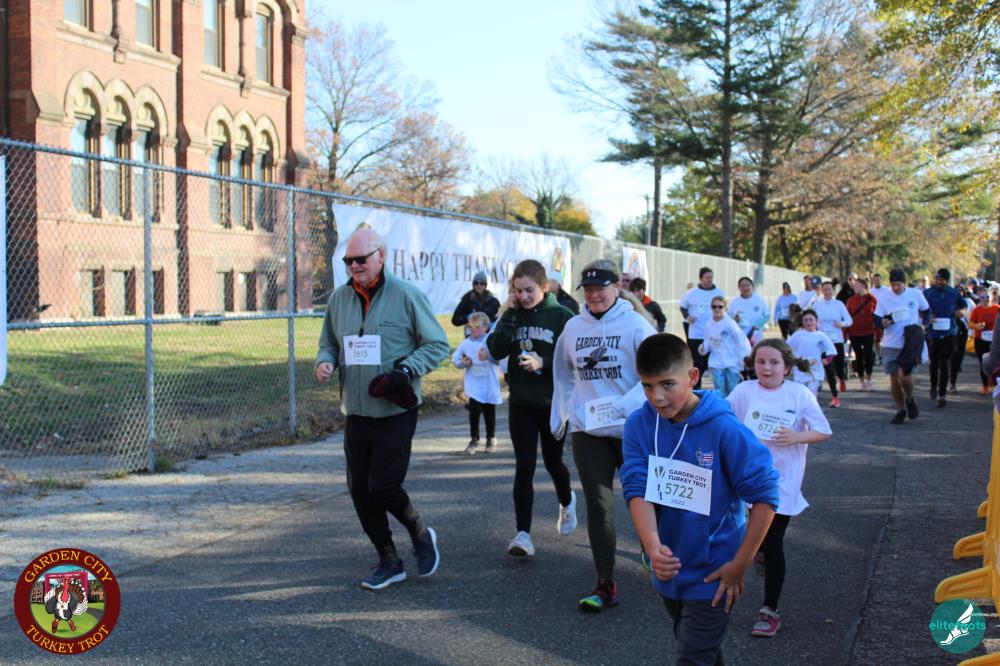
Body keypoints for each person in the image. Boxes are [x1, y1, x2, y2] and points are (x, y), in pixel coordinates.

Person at [620, 333, 779, 665]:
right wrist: (652, 546)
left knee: (693, 656)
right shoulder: (638, 424)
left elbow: (765, 496)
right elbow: (637, 488)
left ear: (692, 377)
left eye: (667, 384)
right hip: (668, 566)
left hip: (715, 571)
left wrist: (740, 564)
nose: (657, 397)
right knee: (698, 648)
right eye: (647, 386)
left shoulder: (724, 428)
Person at [315, 227, 449, 590]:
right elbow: (328, 343)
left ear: (381, 256)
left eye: (361, 259)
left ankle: (420, 533)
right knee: (360, 490)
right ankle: (389, 560)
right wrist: (324, 362)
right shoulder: (339, 299)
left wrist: (406, 370)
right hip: (356, 410)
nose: (354, 266)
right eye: (348, 261)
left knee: (384, 485)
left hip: (394, 409)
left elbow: (437, 344)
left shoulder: (405, 295)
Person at [550, 260, 656, 611]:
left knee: (645, 498)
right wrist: (563, 413)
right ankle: (605, 582)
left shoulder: (636, 325)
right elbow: (563, 373)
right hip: (589, 430)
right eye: (588, 290)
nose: (594, 295)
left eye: (601, 288)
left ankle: (651, 546)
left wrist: (625, 406)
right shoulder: (573, 327)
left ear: (616, 288)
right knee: (599, 504)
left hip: (633, 428)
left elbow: (656, 373)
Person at [726, 339, 832, 638]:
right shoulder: (743, 391)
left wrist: (797, 437)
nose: (767, 368)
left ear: (786, 367)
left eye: (774, 362)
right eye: (761, 362)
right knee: (757, 538)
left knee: (773, 541)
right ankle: (758, 552)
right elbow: (723, 419)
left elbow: (823, 431)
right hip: (748, 477)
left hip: (783, 481)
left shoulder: (799, 394)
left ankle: (769, 610)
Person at [484, 259, 577, 557]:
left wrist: (543, 362)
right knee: (524, 466)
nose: (523, 296)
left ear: (545, 287)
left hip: (552, 404)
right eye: (517, 290)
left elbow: (573, 360)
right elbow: (495, 350)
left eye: (529, 290)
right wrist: (509, 314)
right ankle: (522, 534)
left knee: (553, 463)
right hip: (521, 403)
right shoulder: (512, 314)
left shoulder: (562, 316)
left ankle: (567, 500)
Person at [873, 268, 930, 424]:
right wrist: (882, 322)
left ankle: (910, 398)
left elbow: (926, 310)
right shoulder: (884, 297)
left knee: (904, 376)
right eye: (893, 285)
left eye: (898, 284)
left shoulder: (915, 294)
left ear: (904, 283)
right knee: (894, 379)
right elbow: (876, 318)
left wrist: (924, 325)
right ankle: (900, 410)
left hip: (909, 342)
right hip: (891, 343)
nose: (896, 288)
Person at [452, 312, 502, 454]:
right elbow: (455, 359)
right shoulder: (466, 343)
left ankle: (491, 438)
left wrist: (488, 356)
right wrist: (463, 363)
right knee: (474, 412)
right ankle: (474, 439)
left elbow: (499, 359)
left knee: (489, 412)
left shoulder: (490, 340)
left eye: (477, 326)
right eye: (471, 326)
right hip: (474, 385)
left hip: (489, 384)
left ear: (486, 327)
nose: (473, 329)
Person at [679, 267, 725, 389]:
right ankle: (696, 388)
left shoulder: (719, 293)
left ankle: (719, 389)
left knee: (712, 362)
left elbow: (725, 309)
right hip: (697, 333)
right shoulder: (691, 293)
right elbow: (683, 307)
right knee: (697, 362)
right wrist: (687, 316)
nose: (710, 280)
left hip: (714, 333)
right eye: (707, 277)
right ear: (700, 278)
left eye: (711, 277)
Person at [923, 268, 963, 407]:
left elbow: (963, 307)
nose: (939, 282)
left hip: (949, 333)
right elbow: (920, 310)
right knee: (934, 363)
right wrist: (928, 317)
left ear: (947, 280)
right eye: (937, 279)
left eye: (942, 280)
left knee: (945, 362)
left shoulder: (954, 293)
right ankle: (933, 386)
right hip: (933, 334)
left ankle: (942, 395)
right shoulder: (928, 293)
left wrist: (960, 313)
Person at [699, 296, 752, 398]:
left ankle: (733, 407)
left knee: (732, 390)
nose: (717, 309)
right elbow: (708, 341)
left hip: (732, 363)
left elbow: (742, 342)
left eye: (720, 307)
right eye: (714, 307)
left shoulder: (730, 324)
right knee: (720, 391)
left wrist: (743, 360)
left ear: (725, 308)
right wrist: (703, 348)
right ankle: (723, 407)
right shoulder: (708, 325)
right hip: (716, 363)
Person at [811, 281, 853, 407]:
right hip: (823, 341)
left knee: (839, 367)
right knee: (828, 369)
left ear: (833, 291)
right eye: (825, 289)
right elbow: (810, 320)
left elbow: (849, 320)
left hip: (836, 340)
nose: (827, 292)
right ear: (822, 291)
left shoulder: (838, 304)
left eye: (829, 289)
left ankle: (842, 379)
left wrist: (841, 324)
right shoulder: (817, 306)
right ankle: (835, 397)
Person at [788, 309, 837, 397]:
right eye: (805, 320)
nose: (808, 322)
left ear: (816, 321)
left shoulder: (821, 335)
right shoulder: (797, 335)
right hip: (800, 370)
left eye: (811, 319)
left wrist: (827, 360)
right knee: (800, 395)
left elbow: (831, 349)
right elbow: (786, 347)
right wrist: (792, 360)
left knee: (812, 396)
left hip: (815, 370)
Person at [845, 279, 877, 391]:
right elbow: (847, 316)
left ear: (863, 286)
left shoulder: (872, 299)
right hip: (854, 333)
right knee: (858, 357)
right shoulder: (851, 300)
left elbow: (877, 316)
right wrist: (846, 332)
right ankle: (861, 381)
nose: (854, 287)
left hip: (868, 332)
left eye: (856, 285)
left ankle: (869, 380)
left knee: (868, 356)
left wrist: (878, 332)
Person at [970, 292, 1000, 395]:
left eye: (987, 297)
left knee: (996, 362)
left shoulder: (997, 308)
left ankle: (994, 381)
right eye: (983, 297)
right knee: (983, 362)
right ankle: (985, 386)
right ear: (980, 299)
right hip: (980, 340)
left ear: (992, 298)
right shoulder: (977, 310)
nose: (985, 299)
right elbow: (970, 324)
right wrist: (976, 326)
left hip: (995, 340)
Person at [950, 285, 977, 392]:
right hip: (949, 331)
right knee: (950, 355)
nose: (959, 292)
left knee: (959, 352)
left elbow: (971, 314)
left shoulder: (968, 301)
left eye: (960, 290)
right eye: (956, 290)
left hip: (963, 329)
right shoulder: (949, 301)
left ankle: (955, 371)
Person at [728, 276, 769, 343]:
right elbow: (729, 317)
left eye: (748, 285)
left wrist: (758, 325)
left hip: (755, 337)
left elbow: (767, 316)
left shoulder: (759, 300)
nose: (745, 288)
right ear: (739, 288)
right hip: (740, 338)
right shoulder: (734, 302)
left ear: (752, 286)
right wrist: (734, 319)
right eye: (743, 286)